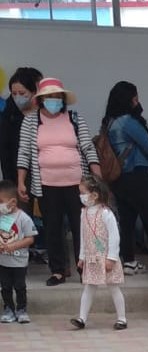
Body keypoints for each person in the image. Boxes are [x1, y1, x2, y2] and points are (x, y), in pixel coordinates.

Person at [16, 77, 101, 286]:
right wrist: (21, 181)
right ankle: (58, 271)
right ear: (41, 100)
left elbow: (88, 148)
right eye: (49, 97)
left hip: (77, 183)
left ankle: (85, 269)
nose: (54, 101)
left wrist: (97, 177)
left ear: (63, 99)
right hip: (46, 184)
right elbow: (24, 152)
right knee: (53, 228)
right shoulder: (31, 121)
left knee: (82, 226)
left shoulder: (74, 118)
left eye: (57, 97)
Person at [103, 80, 148, 274]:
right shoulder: (128, 122)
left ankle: (128, 261)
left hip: (118, 178)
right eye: (135, 98)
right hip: (136, 175)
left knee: (127, 220)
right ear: (128, 100)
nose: (138, 102)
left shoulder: (109, 122)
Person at [69, 175, 126, 331]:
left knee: (114, 287)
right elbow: (82, 236)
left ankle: (122, 318)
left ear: (94, 195)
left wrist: (112, 258)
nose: (81, 196)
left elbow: (115, 236)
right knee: (89, 286)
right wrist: (81, 257)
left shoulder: (106, 213)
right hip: (91, 257)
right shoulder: (84, 213)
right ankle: (82, 318)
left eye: (83, 192)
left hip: (106, 257)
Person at [0, 67, 45, 263]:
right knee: (17, 218)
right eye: (14, 93)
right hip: (17, 177)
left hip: (45, 176)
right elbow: (6, 151)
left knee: (47, 217)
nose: (17, 97)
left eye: (22, 93)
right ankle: (16, 258)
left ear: (34, 92)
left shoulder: (45, 115)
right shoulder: (8, 117)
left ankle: (45, 250)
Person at [0, 179, 37, 323]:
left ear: (13, 202)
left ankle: (21, 309)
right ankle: (8, 308)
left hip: (19, 261)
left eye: (1, 201)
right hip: (3, 261)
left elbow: (30, 238)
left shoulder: (23, 218)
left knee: (20, 286)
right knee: (5, 286)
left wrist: (14, 246)